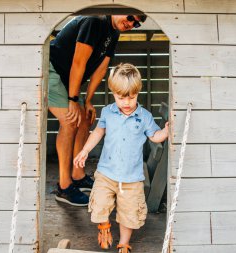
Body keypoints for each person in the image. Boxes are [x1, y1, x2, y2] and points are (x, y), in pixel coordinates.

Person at [48, 14, 147, 206]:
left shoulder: (114, 33)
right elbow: (78, 62)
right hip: (52, 70)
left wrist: (88, 101)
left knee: (85, 117)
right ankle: (64, 187)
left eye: (136, 24)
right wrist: (72, 100)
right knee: (69, 121)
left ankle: (77, 175)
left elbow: (101, 69)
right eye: (129, 18)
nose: (131, 23)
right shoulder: (95, 22)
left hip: (68, 79)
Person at [73, 63, 169, 253]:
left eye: (131, 97)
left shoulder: (144, 116)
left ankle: (124, 243)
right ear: (113, 93)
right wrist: (84, 150)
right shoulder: (108, 112)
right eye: (121, 97)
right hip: (106, 173)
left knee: (129, 213)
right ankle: (104, 226)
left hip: (132, 178)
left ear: (137, 93)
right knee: (99, 204)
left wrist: (166, 131)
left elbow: (154, 136)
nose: (126, 102)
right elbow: (98, 132)